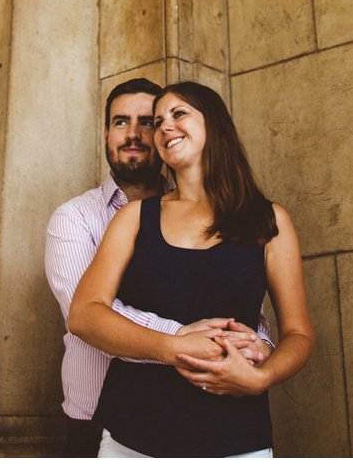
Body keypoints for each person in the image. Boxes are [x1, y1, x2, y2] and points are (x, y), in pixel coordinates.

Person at [70, 81, 314, 458]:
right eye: (158, 120)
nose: (164, 126)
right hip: (132, 438)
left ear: (214, 124)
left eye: (178, 113)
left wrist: (261, 377)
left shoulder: (269, 220)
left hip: (236, 438)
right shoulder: (135, 217)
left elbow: (298, 334)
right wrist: (173, 347)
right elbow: (84, 314)